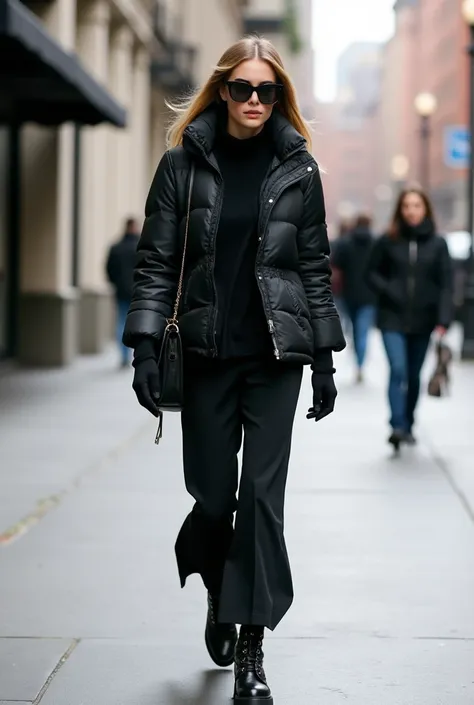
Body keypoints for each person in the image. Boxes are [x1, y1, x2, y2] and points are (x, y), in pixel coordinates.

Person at [123, 36, 345, 704]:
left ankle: (252, 644)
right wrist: (140, 347)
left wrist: (327, 360)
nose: (254, 101)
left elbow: (312, 268)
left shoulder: (299, 169)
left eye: (266, 90)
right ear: (223, 90)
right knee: (215, 494)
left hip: (278, 357)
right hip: (207, 353)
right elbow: (156, 261)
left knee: (262, 502)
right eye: (242, 88)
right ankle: (217, 577)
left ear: (280, 97)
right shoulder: (182, 163)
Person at [366, 187, 452, 450]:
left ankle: (409, 422)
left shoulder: (438, 244)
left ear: (425, 208)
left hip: (423, 319)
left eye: (416, 205)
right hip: (392, 316)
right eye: (406, 206)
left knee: (413, 375)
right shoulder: (387, 240)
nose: (411, 211)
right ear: (399, 210)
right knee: (398, 369)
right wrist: (389, 289)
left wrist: (444, 318)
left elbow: (445, 283)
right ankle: (397, 425)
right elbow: (371, 273)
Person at [333, 213, 375, 382]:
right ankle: (360, 363)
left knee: (353, 327)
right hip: (370, 294)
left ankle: (357, 353)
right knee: (363, 330)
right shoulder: (376, 243)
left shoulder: (345, 243)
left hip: (348, 293)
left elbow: (336, 267)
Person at [106, 217, 140, 367]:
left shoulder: (116, 247)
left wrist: (116, 283)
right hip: (137, 291)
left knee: (121, 321)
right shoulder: (140, 246)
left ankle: (124, 355)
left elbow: (109, 269)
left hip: (120, 291)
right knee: (137, 322)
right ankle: (134, 354)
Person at [330, 218, 352, 340]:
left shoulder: (335, 244)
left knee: (339, 308)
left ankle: (342, 328)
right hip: (346, 284)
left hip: (336, 284)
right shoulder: (350, 244)